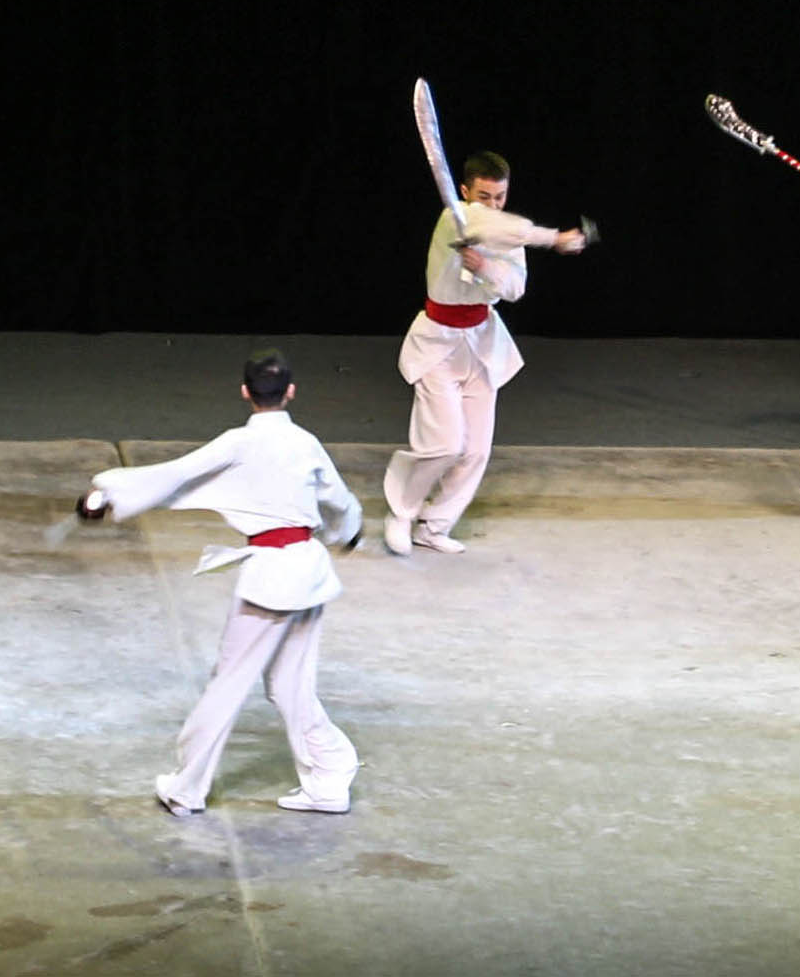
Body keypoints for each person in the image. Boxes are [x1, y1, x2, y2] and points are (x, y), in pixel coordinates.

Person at [77, 350, 365, 816]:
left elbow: (178, 473)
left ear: (245, 392)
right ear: (291, 392)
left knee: (229, 684)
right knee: (290, 684)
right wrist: (348, 534)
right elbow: (340, 501)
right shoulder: (306, 443)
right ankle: (329, 777)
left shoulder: (238, 443)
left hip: (272, 578)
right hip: (310, 572)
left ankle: (187, 788)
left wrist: (107, 493)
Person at [382, 151, 588, 557]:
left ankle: (435, 526)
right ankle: (401, 513)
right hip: (438, 344)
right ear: (464, 192)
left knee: (476, 449)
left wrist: (485, 269)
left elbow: (514, 289)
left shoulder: (508, 234)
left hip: (482, 344)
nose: (493, 205)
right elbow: (485, 225)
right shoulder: (454, 217)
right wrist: (554, 238)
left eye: (500, 197)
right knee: (444, 444)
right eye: (484, 196)